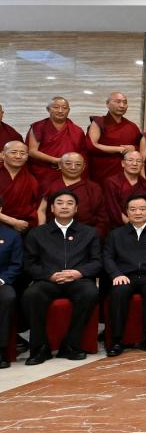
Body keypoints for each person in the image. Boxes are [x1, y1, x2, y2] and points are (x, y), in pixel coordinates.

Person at [22, 190, 100, 364]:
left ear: (76, 208)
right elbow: (29, 264)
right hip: (48, 281)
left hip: (78, 280)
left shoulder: (89, 233)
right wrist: (49, 275)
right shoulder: (37, 233)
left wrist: (78, 273)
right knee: (31, 295)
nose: (64, 206)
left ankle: (71, 345)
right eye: (60, 203)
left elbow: (97, 261)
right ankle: (40, 348)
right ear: (52, 208)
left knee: (91, 293)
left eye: (69, 203)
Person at [103, 194, 146, 356]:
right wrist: (116, 274)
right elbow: (107, 257)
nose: (138, 212)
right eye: (133, 209)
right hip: (125, 276)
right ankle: (117, 340)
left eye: (142, 209)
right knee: (118, 291)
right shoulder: (116, 234)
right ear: (127, 212)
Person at [39, 153, 106, 235]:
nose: (73, 167)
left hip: (85, 233)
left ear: (84, 167)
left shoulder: (93, 188)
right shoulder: (49, 185)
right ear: (60, 165)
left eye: (78, 164)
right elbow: (41, 210)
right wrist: (42, 233)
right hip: (53, 232)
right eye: (68, 163)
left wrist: (93, 235)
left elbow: (102, 216)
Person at [26, 96, 87, 187]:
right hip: (44, 171)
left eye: (64, 108)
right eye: (56, 107)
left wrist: (68, 164)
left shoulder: (77, 130)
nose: (60, 111)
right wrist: (55, 160)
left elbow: (82, 154)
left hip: (69, 171)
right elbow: (32, 151)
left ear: (68, 110)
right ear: (48, 109)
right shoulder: (38, 127)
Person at [86, 92, 142, 184]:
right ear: (107, 104)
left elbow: (141, 147)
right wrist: (119, 149)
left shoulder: (132, 126)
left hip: (126, 172)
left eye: (125, 102)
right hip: (102, 170)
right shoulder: (98, 122)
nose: (122, 105)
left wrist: (134, 148)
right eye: (118, 102)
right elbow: (91, 145)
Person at [102, 151, 146, 228]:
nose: (134, 164)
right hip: (118, 227)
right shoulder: (112, 182)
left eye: (138, 161)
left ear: (142, 165)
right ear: (123, 163)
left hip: (142, 225)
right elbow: (113, 208)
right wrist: (131, 225)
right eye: (130, 160)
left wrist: (140, 226)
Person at [0, 141, 41, 233]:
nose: (18, 156)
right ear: (2, 154)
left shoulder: (31, 180)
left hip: (22, 227)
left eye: (22, 153)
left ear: (27, 157)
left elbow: (36, 207)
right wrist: (13, 222)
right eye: (13, 152)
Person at [0, 219, 21, 368]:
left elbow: (16, 264)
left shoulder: (11, 235)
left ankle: (1, 350)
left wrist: (2, 280)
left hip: (1, 282)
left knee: (8, 297)